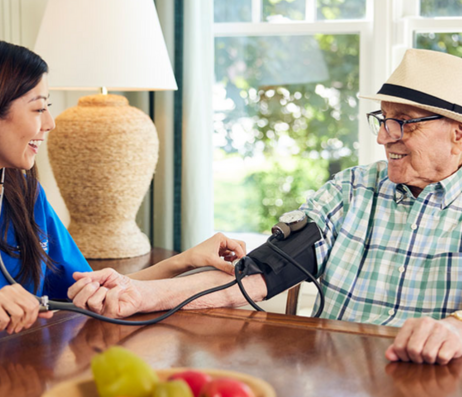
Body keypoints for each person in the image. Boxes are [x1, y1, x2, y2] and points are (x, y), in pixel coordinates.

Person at [69, 48, 462, 365]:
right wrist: (142, 294)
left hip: (431, 379)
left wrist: (455, 328)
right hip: (335, 375)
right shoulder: (353, 190)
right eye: (384, 119)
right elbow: (260, 273)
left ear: (457, 134)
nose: (383, 137)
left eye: (404, 122)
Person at [0, 36, 246, 339]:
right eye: (39, 109)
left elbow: (92, 291)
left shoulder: (25, 196)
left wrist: (185, 261)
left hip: (24, 367)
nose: (50, 123)